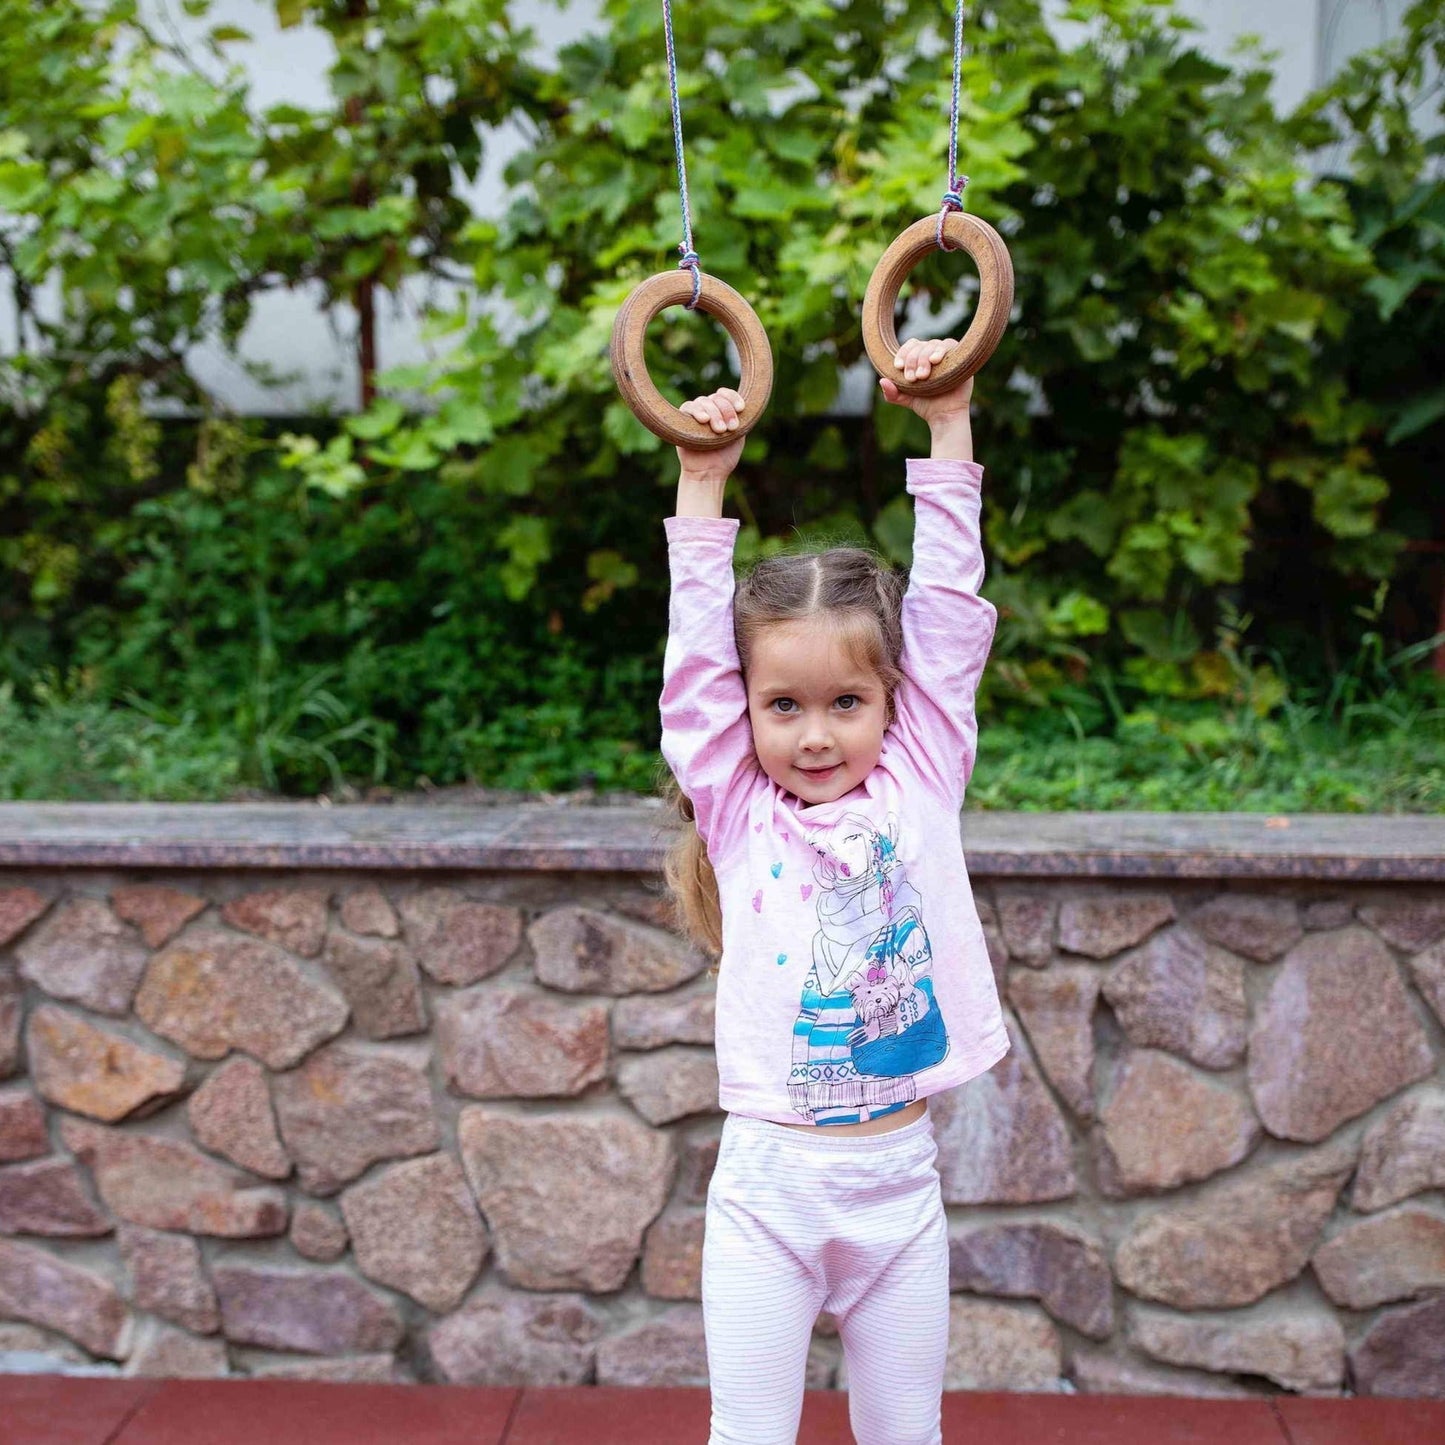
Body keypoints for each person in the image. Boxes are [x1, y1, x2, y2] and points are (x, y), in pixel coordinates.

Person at [658, 338, 1009, 1445]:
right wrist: (701, 480)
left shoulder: (919, 778)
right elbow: (694, 670)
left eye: (846, 701)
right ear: (749, 710)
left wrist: (946, 425)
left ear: (891, 701)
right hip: (767, 1193)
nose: (814, 733)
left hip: (896, 1188)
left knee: (906, 1434)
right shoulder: (735, 805)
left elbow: (949, 615)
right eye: (784, 705)